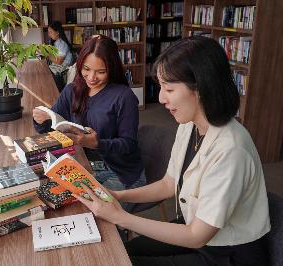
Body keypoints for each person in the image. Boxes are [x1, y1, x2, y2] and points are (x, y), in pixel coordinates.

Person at [73, 36, 271, 266]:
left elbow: (197, 236)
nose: (160, 98)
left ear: (201, 89)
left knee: (120, 261)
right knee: (121, 253)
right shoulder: (189, 124)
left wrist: (121, 218)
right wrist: (119, 195)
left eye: (168, 89)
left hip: (228, 252)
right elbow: (169, 184)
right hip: (199, 231)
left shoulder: (232, 150)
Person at [33, 35, 146, 212]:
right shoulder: (72, 90)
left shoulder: (123, 97)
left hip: (120, 173)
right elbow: (51, 127)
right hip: (84, 166)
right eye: (86, 69)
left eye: (101, 72)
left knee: (96, 217)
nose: (91, 77)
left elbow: (129, 144)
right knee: (51, 201)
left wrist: (96, 143)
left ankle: (121, 235)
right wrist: (41, 119)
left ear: (112, 69)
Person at [47, 21, 74, 90]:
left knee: (45, 75)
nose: (49, 35)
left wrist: (46, 55)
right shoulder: (56, 43)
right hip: (58, 68)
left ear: (57, 32)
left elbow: (59, 61)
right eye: (48, 32)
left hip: (63, 70)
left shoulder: (62, 44)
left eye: (51, 32)